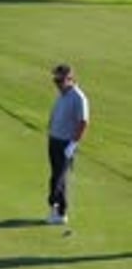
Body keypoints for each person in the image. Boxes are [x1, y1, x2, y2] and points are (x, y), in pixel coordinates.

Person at [47, 64, 89, 225]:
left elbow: (83, 122)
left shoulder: (79, 97)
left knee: (59, 178)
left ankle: (60, 212)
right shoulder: (62, 94)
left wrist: (73, 144)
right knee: (56, 176)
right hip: (54, 140)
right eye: (55, 80)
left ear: (70, 79)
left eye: (60, 80)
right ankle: (56, 209)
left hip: (66, 143)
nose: (56, 83)